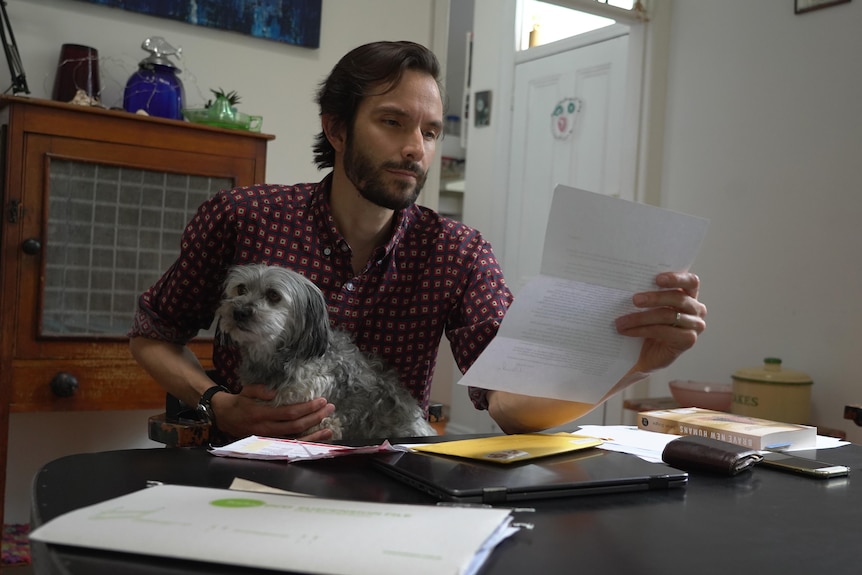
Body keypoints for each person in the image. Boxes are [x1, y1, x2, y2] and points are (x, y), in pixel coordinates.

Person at [129, 40, 706, 443]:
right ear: (335, 128)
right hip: (248, 474)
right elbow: (153, 336)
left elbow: (507, 405)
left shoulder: (457, 252)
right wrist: (218, 405)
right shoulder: (243, 216)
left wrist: (631, 365)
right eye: (393, 122)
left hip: (387, 484)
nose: (416, 148)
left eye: (430, 131)